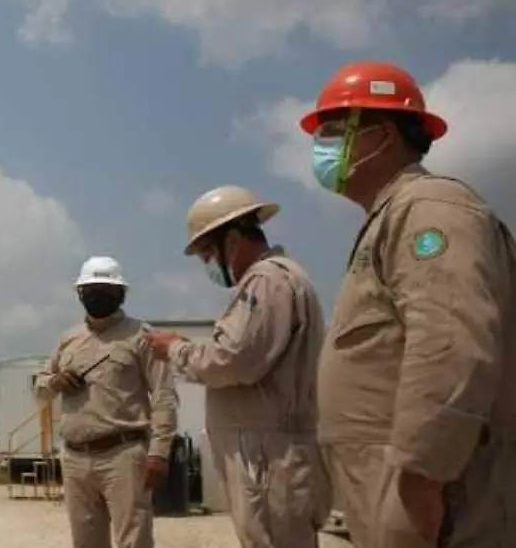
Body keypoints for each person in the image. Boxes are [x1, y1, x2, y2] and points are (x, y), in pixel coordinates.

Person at [302, 60, 516, 547]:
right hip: (397, 487)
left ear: (381, 135)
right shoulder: (392, 216)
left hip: (432, 492)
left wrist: (423, 472)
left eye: (334, 132)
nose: (322, 148)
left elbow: (451, 341)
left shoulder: (429, 208)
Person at [144, 186, 330, 547]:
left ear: (232, 241)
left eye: (207, 254)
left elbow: (234, 361)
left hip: (268, 455)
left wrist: (177, 349)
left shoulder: (267, 280)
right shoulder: (281, 279)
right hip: (270, 450)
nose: (208, 266)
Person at [35, 256, 178, 548]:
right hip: (75, 457)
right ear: (79, 295)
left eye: (105, 289)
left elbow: (164, 396)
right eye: (89, 290)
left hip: (124, 455)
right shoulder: (68, 340)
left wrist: (160, 453)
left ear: (121, 294)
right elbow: (40, 389)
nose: (96, 295)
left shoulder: (142, 337)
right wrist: (55, 382)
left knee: (133, 540)